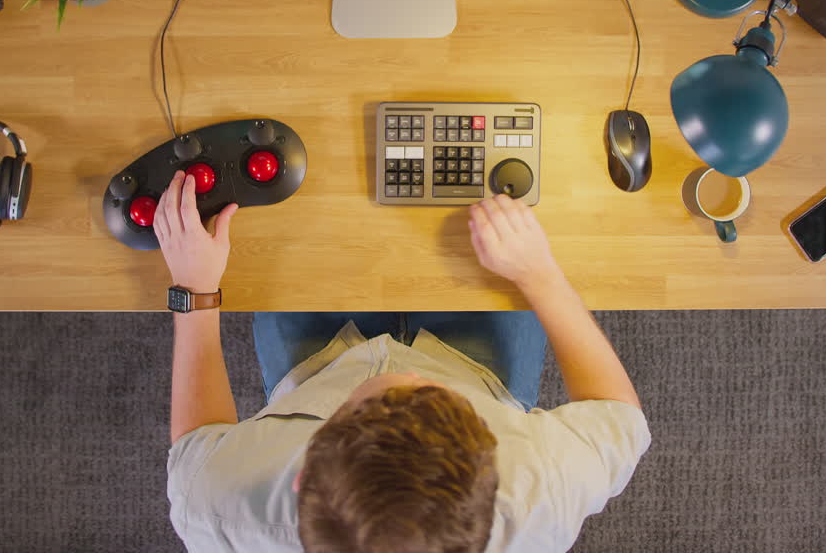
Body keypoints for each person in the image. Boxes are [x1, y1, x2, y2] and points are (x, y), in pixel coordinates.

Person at [157, 170, 649, 553]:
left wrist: (195, 289)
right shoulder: (541, 498)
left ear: (304, 474)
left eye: (367, 404)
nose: (407, 373)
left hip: (317, 368)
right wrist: (537, 272)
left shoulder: (220, 512)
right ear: (494, 475)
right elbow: (619, 415)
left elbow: (198, 440)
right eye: (432, 396)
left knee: (294, 206)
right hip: (479, 369)